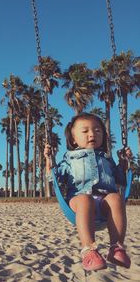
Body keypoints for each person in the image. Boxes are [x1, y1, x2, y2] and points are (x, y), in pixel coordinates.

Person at [44, 112, 132, 271]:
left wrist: (123, 162)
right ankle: (89, 249)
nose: (92, 134)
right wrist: (49, 161)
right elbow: (55, 179)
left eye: (98, 131)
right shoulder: (70, 158)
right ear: (73, 139)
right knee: (86, 199)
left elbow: (120, 178)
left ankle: (116, 248)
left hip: (105, 203)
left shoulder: (106, 158)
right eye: (85, 131)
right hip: (79, 200)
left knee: (116, 198)